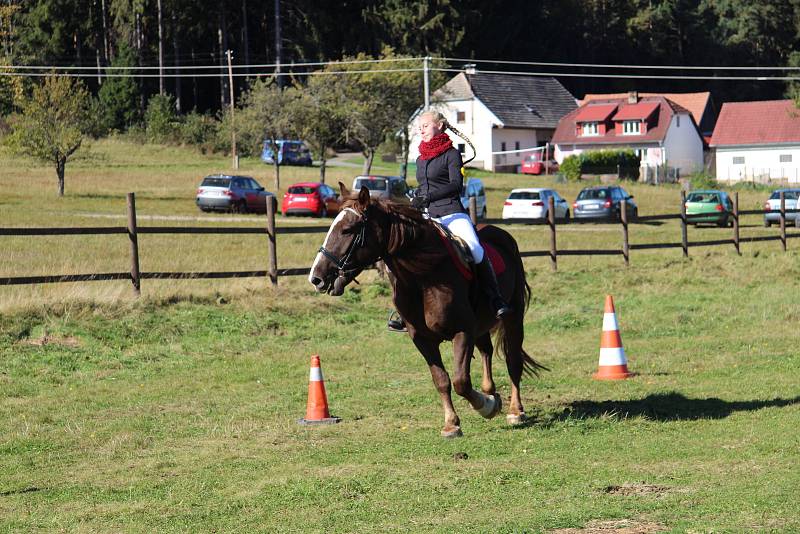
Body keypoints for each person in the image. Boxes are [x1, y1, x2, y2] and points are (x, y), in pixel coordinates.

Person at [387, 110, 511, 332]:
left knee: (475, 249)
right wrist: (417, 196)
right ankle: (405, 310)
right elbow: (425, 188)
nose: (420, 130)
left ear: (440, 126)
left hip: (452, 213)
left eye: (425, 125)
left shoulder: (452, 154)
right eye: (419, 126)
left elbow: (456, 186)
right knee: (408, 254)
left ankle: (495, 299)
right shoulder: (421, 158)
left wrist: (429, 196)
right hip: (429, 216)